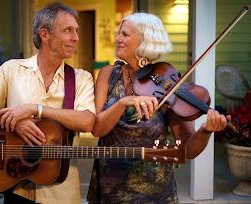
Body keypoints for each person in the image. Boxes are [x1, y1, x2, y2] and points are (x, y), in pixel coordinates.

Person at [87, 12, 228, 203]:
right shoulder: (107, 75)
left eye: (125, 34)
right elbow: (97, 129)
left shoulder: (167, 85)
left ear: (145, 41)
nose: (118, 39)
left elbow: (187, 151)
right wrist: (122, 103)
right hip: (110, 186)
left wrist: (205, 131)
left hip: (154, 190)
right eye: (119, 33)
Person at [0, 2, 95, 204]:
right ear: (45, 34)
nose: (76, 37)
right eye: (68, 30)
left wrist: (37, 109)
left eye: (76, 31)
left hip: (61, 192)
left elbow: (87, 121)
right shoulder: (11, 70)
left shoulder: (81, 78)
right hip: (16, 187)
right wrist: (13, 123)